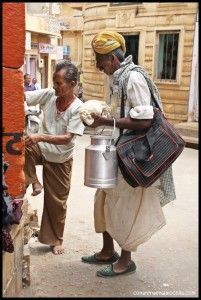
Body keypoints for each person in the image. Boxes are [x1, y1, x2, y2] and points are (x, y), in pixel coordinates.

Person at [81, 31, 176, 277]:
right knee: (104, 199)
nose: (98, 65)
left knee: (124, 206)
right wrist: (104, 118)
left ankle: (125, 260)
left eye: (100, 60)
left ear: (113, 58)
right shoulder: (117, 77)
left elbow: (145, 120)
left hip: (131, 155)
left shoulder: (133, 78)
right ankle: (106, 251)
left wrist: (105, 119)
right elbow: (122, 113)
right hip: (117, 149)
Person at [24, 60, 85, 255]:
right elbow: (23, 96)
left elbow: (68, 138)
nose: (54, 86)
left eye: (59, 83)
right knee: (22, 147)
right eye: (54, 81)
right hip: (42, 150)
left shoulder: (78, 108)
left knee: (57, 202)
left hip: (60, 159)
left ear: (73, 83)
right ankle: (35, 182)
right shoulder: (50, 95)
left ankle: (56, 239)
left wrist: (40, 136)